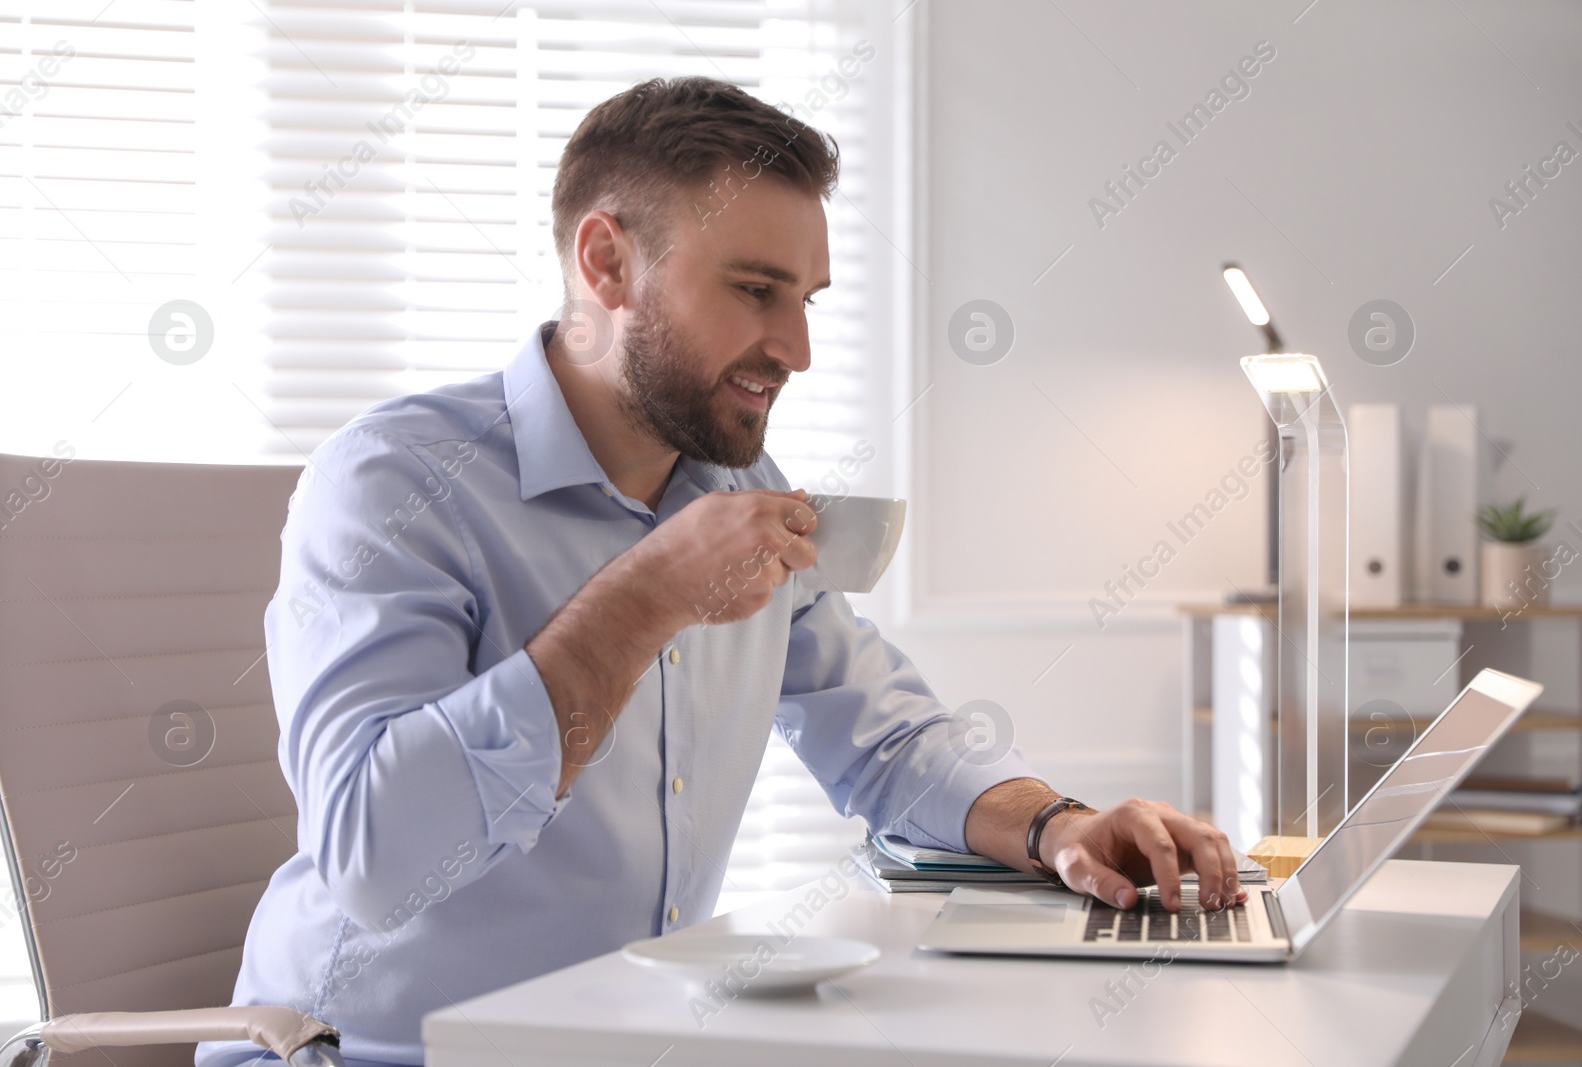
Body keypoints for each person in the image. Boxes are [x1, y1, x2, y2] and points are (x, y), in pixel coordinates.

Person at [199, 75, 1243, 1067]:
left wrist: (1057, 823)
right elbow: (377, 855)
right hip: (374, 1047)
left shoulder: (725, 485)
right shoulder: (394, 478)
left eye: (807, 300)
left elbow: (888, 734)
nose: (794, 347)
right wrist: (646, 595)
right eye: (754, 290)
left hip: (619, 1037)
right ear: (606, 264)